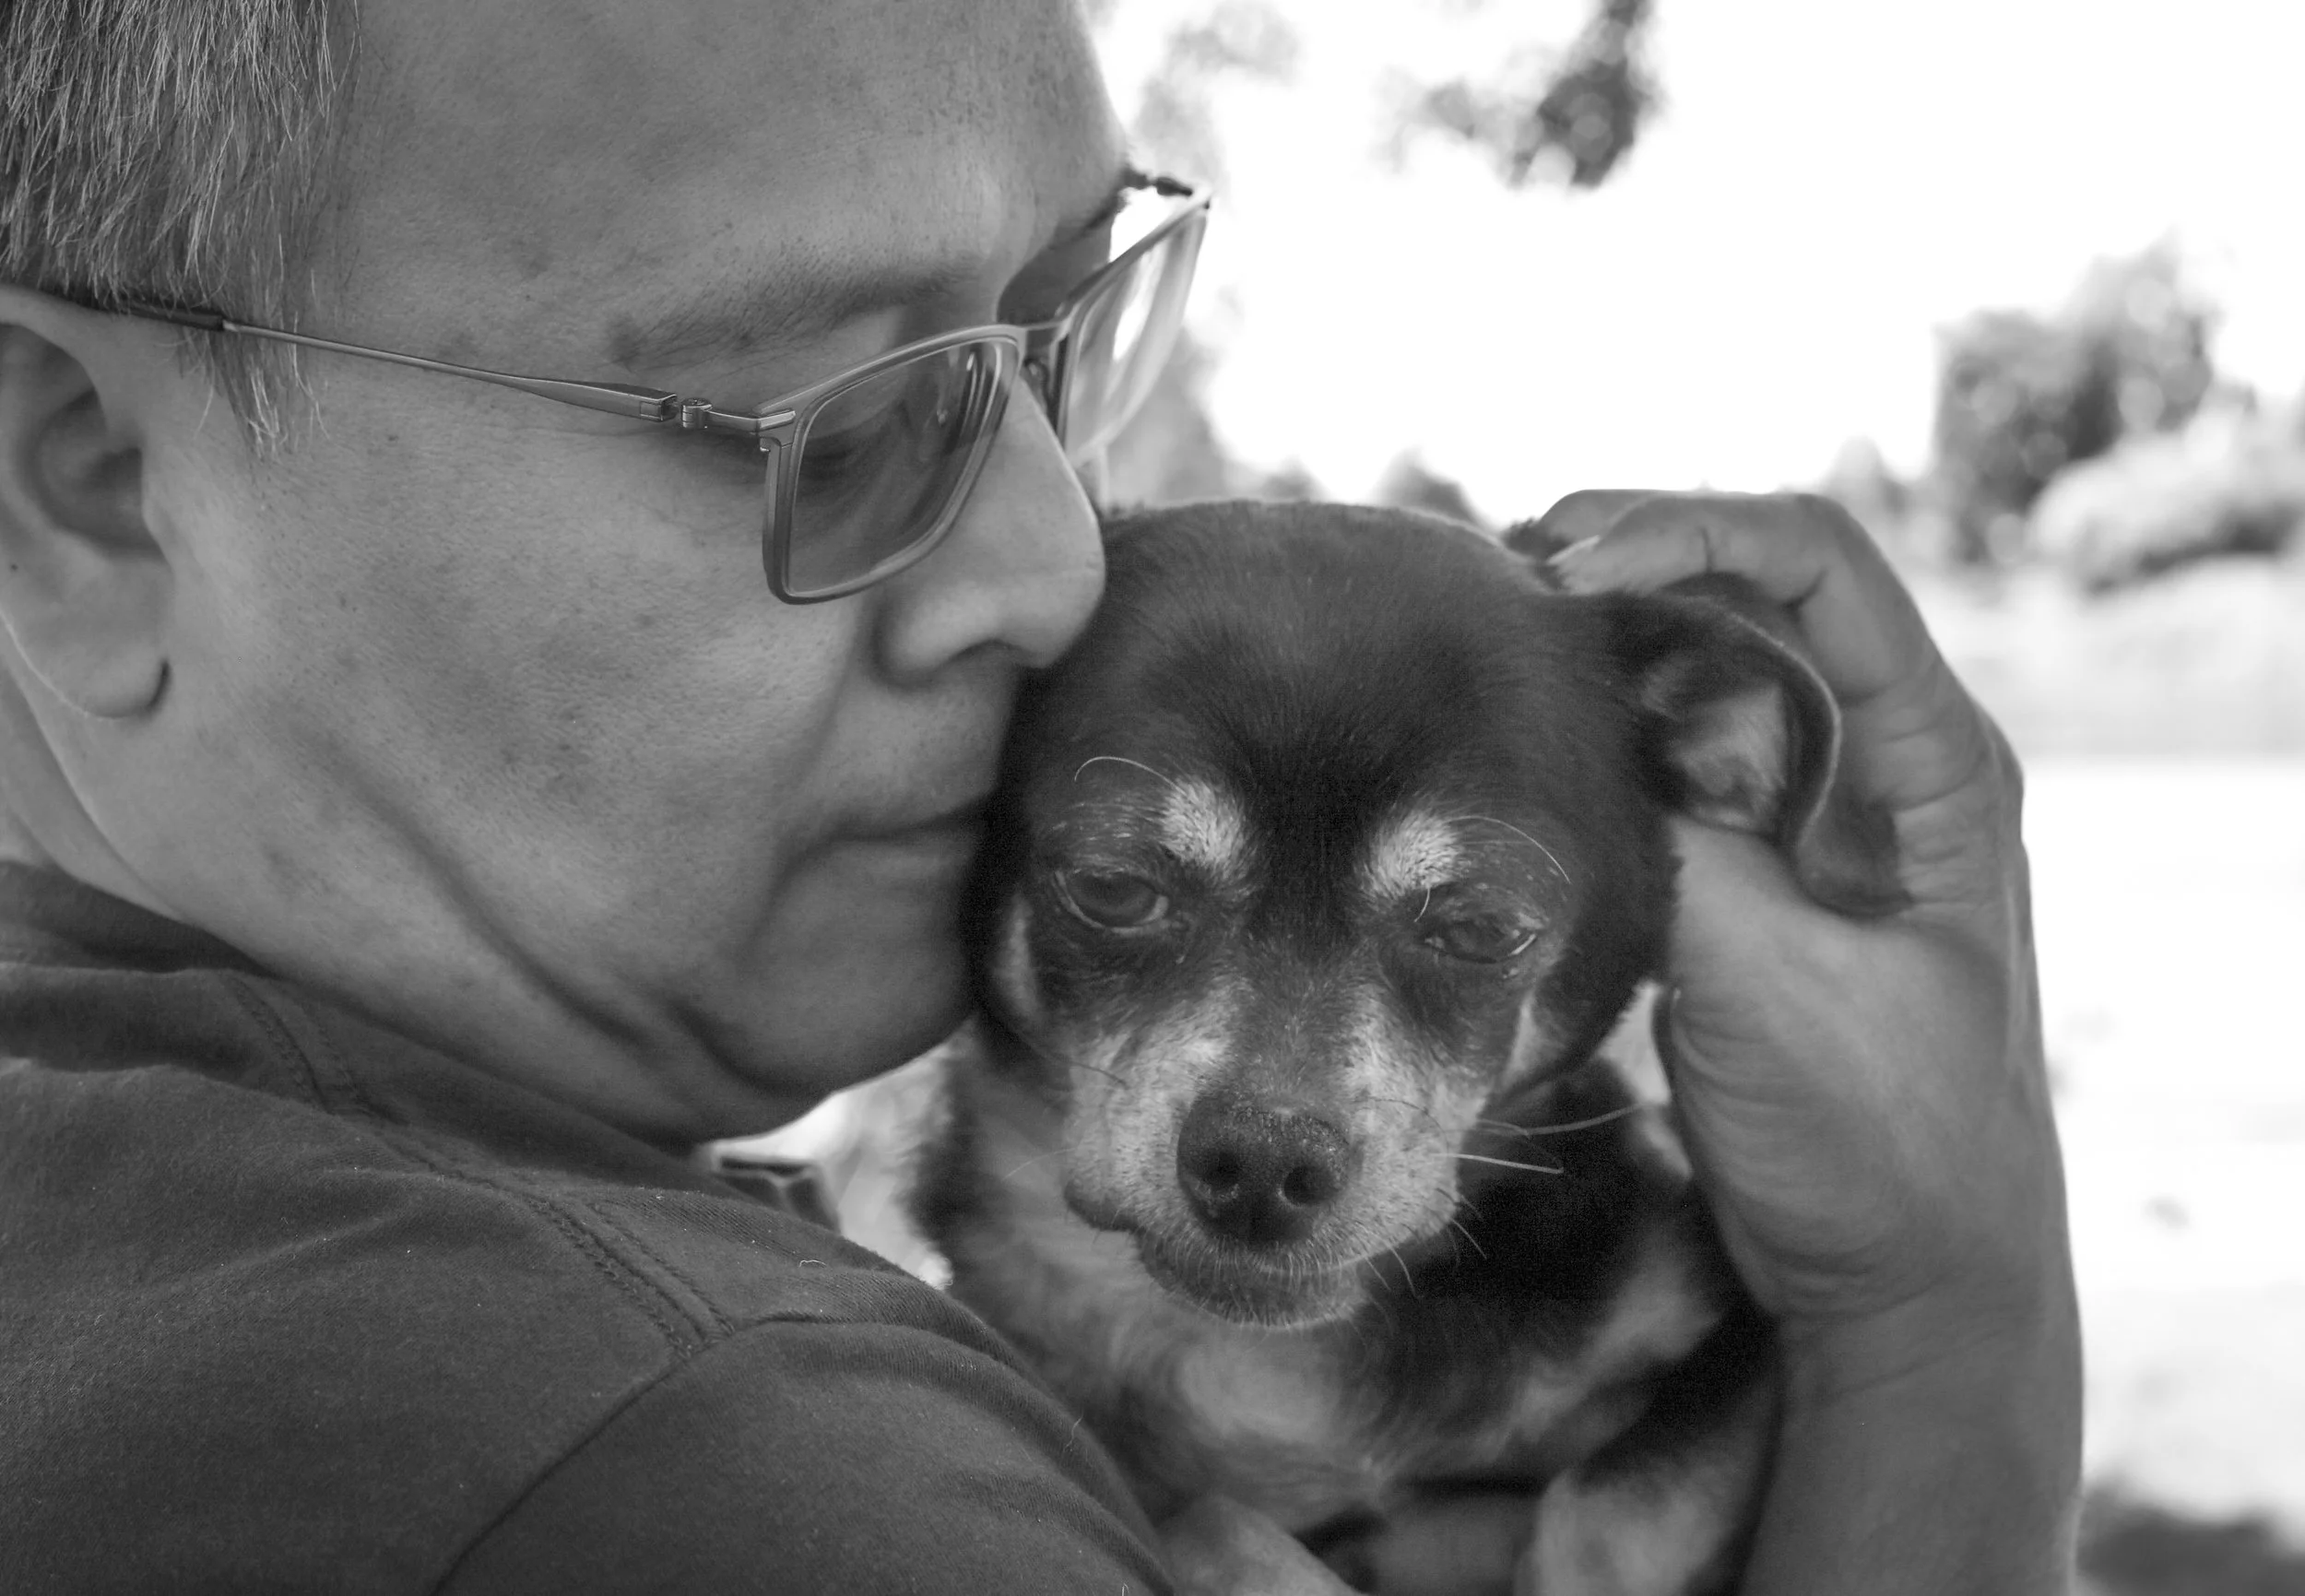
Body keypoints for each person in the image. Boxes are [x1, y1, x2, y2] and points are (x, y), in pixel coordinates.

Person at [0, 1, 2078, 1590]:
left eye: (1061, 335)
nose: (1051, 564)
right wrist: (1939, 1310)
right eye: (822, 410)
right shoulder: (712, 1467)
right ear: (91, 491)